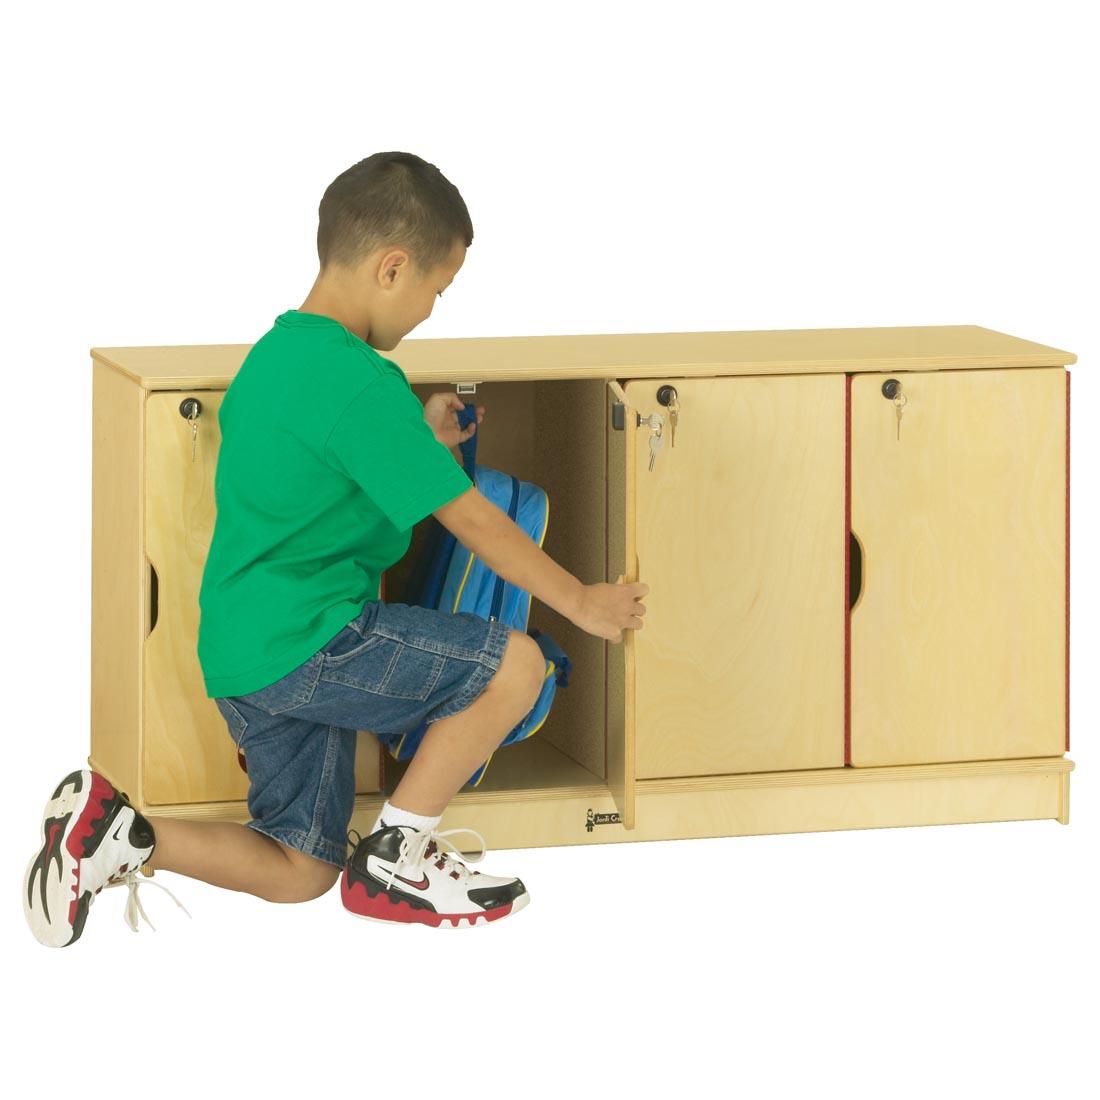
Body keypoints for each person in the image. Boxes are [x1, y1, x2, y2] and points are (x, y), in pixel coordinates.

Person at [23, 151, 648, 946]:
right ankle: (398, 852)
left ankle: (117, 832)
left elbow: (322, 477)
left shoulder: (277, 358)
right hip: (314, 640)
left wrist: (417, 437)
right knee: (518, 666)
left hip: (246, 658)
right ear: (393, 268)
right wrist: (584, 602)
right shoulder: (361, 382)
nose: (429, 311)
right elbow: (476, 522)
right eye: (435, 288)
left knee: (300, 867)